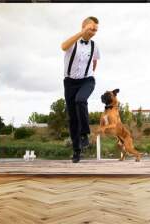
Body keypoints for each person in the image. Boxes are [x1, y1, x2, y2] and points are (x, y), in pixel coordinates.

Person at [61, 16, 101, 163]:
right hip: (70, 83)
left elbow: (95, 60)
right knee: (72, 119)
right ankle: (76, 151)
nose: (94, 32)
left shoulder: (94, 45)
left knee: (81, 100)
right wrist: (81, 33)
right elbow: (63, 46)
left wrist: (89, 73)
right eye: (91, 28)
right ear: (84, 27)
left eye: (96, 30)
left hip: (87, 80)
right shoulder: (73, 42)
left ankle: (85, 134)